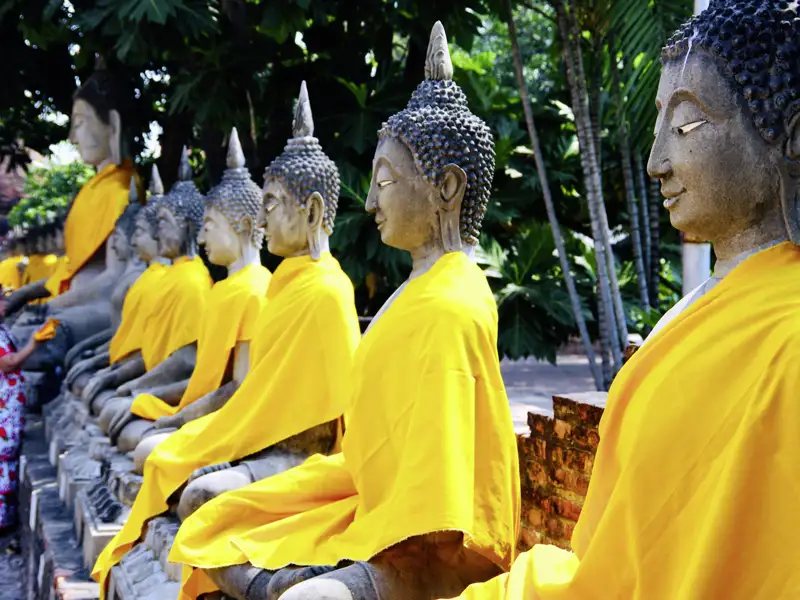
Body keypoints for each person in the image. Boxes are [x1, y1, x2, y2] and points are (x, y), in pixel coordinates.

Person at [0, 292, 36, 530]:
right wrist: (35, 344)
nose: (4, 304)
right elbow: (8, 363)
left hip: (10, 406)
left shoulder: (3, 330)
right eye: (1, 299)